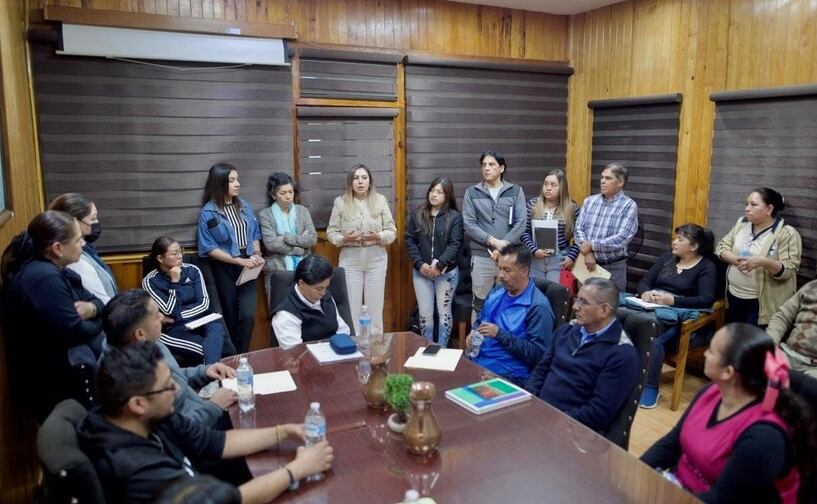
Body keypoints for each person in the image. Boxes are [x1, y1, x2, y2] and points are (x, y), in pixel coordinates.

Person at [78, 341, 334, 504]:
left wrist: (285, 431)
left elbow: (216, 441)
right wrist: (297, 469)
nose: (178, 389)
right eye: (168, 386)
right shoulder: (134, 468)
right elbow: (229, 499)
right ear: (137, 404)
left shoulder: (148, 417)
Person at [641, 323, 816, 503]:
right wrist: (636, 472)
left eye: (711, 351)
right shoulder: (711, 392)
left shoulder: (764, 437)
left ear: (728, 372)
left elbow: (723, 499)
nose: (704, 354)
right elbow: (672, 443)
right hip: (677, 489)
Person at [0, 210, 105, 421]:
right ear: (57, 248)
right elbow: (74, 330)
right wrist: (100, 323)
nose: (83, 244)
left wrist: (93, 310)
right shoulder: (43, 277)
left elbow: (97, 301)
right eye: (78, 240)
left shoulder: (57, 269)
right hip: (52, 385)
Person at [102, 289, 237, 428]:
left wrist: (204, 372)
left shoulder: (146, 342)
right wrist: (213, 407)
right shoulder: (129, 380)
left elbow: (173, 375)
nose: (162, 317)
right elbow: (175, 433)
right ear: (140, 334)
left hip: (200, 408)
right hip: (197, 426)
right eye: (156, 315)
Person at [526, 278, 639, 433]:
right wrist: (530, 401)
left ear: (604, 310)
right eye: (577, 299)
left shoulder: (622, 354)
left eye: (583, 302)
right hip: (539, 414)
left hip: (571, 430)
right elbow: (541, 370)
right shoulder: (567, 330)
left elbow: (598, 413)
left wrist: (552, 421)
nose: (575, 306)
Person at [624, 224, 718, 408]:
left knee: (654, 338)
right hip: (652, 307)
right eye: (675, 238)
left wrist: (673, 301)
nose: (674, 242)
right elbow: (645, 282)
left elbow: (706, 299)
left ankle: (650, 387)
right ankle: (627, 375)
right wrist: (645, 293)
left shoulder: (707, 267)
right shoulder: (667, 258)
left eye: (680, 240)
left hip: (680, 315)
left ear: (694, 246)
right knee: (623, 317)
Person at [198, 163, 264, 354]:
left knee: (248, 314)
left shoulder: (245, 206)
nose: (237, 184)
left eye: (237, 179)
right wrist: (238, 261)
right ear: (219, 183)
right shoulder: (208, 212)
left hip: (248, 264)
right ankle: (233, 357)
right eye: (232, 180)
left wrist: (257, 254)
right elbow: (209, 248)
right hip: (225, 267)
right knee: (230, 315)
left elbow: (254, 234)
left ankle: (241, 355)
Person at [469, 244, 555, 386]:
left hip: (509, 375)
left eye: (507, 270)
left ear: (524, 271)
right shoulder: (496, 292)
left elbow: (538, 355)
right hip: (478, 362)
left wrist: (499, 334)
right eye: (500, 269)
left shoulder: (538, 307)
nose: (501, 275)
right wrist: (472, 332)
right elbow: (480, 321)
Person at [715, 187, 801, 327]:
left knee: (754, 338)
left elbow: (789, 270)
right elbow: (721, 246)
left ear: (769, 209)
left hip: (762, 303)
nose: (747, 209)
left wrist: (763, 262)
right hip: (734, 295)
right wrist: (736, 260)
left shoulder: (786, 233)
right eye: (746, 204)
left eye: (753, 204)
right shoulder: (742, 223)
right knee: (736, 336)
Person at [327, 164, 396, 335]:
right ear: (350, 182)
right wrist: (345, 239)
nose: (360, 182)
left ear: (370, 181)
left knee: (375, 307)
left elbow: (392, 232)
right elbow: (331, 232)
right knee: (352, 307)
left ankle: (376, 346)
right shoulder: (340, 202)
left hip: (376, 258)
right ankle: (354, 345)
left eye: (364, 178)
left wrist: (378, 236)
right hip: (350, 258)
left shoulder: (380, 200)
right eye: (356, 178)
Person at [462, 151, 527, 321]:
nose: (486, 168)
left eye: (491, 164)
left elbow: (521, 222)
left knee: (507, 299)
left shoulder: (515, 191)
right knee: (479, 303)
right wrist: (492, 241)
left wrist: (503, 247)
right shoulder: (472, 192)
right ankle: (477, 336)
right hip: (482, 256)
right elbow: (469, 224)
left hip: (508, 258)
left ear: (502, 168)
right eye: (484, 165)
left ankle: (501, 336)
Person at [143, 236, 226, 365]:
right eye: (174, 253)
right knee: (206, 350)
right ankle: (215, 373)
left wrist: (175, 318)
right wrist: (174, 281)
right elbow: (169, 310)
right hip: (173, 329)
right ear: (160, 258)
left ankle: (213, 373)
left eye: (181, 251)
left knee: (216, 327)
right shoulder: (150, 281)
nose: (180, 256)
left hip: (199, 321)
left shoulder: (192, 270)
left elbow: (204, 303)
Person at [405, 177, 464, 348]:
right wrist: (420, 264)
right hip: (421, 272)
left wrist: (440, 264)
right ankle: (428, 348)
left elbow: (455, 244)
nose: (434, 194)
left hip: (446, 273)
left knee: (444, 313)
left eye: (439, 192)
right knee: (425, 314)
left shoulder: (455, 217)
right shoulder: (417, 215)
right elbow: (410, 241)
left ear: (447, 195)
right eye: (432, 190)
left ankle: (442, 349)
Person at [573, 162, 639, 291]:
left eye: (608, 178)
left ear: (620, 182)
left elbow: (621, 238)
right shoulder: (590, 201)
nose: (602, 181)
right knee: (584, 302)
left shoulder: (629, 206)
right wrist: (588, 253)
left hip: (612, 268)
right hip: (586, 263)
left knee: (611, 303)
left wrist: (591, 245)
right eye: (602, 177)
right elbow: (578, 229)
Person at [258, 172, 317, 303]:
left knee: (305, 308)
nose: (288, 196)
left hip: (304, 270)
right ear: (273, 195)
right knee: (279, 309)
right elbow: (271, 243)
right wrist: (299, 248)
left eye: (291, 192)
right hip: (277, 270)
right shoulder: (265, 215)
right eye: (283, 193)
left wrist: (287, 238)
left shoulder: (303, 211)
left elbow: (312, 238)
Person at [48, 192, 117, 304]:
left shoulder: (88, 251)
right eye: (93, 219)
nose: (97, 223)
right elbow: (102, 300)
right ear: (74, 222)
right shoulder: (73, 258)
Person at [271, 255, 351, 348]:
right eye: (319, 288)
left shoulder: (326, 297)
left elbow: (343, 330)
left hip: (336, 351)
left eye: (326, 287)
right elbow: (295, 352)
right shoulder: (285, 315)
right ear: (301, 283)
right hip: (307, 355)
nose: (323, 293)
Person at [520, 169, 580, 282]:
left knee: (554, 291)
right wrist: (534, 250)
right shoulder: (533, 205)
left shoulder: (572, 208)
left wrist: (571, 256)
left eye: (553, 185)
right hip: (536, 257)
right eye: (546, 184)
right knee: (536, 290)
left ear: (562, 188)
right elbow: (524, 232)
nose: (548, 188)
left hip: (560, 258)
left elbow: (580, 236)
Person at [766, 279, 817, 378]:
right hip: (788, 353)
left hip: (813, 368)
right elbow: (782, 317)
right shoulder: (812, 287)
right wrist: (771, 342)